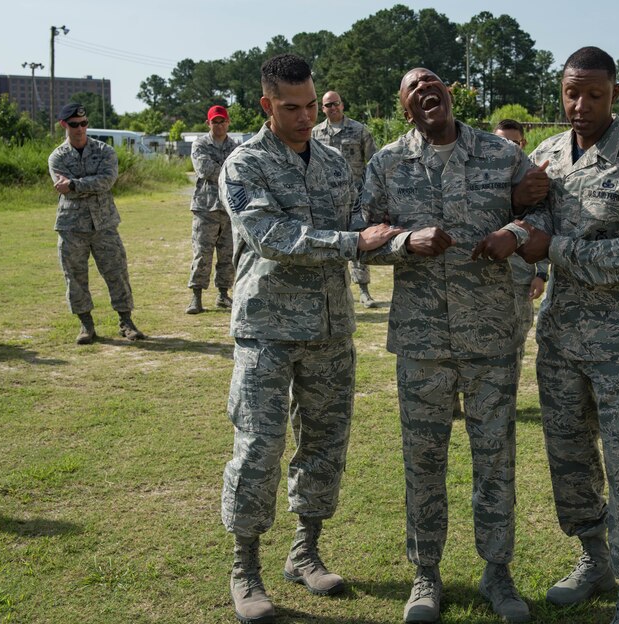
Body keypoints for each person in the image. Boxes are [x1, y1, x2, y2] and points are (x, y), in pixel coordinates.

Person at [217, 54, 403, 624]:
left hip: (328, 328)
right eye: (292, 108)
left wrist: (407, 242)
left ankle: (305, 550)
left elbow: (363, 227)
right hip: (267, 329)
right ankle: (245, 566)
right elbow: (273, 236)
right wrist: (355, 243)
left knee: (325, 443)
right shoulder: (244, 164)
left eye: (309, 104)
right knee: (260, 446)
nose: (305, 117)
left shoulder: (332, 162)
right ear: (266, 105)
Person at [359, 67, 548, 624]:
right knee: (423, 461)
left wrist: (512, 234)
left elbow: (539, 211)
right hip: (422, 342)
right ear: (405, 107)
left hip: (492, 336)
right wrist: (402, 241)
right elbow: (361, 236)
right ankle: (426, 574)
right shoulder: (386, 163)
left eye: (431, 82)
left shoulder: (499, 153)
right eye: (412, 87)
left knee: (496, 459)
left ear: (449, 94)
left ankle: (498, 571)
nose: (424, 90)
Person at [516, 46, 619, 624]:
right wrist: (522, 229)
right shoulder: (547, 155)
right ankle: (594, 557)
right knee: (569, 455)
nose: (579, 106)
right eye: (570, 93)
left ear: (614, 95)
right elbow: (530, 224)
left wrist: (551, 249)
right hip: (559, 335)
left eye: (593, 95)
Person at [48, 102, 146, 345]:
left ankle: (126, 321)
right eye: (74, 125)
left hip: (104, 224)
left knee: (117, 273)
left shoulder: (105, 151)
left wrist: (74, 184)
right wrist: (77, 186)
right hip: (72, 227)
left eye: (83, 124)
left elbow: (107, 181)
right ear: (64, 125)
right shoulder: (57, 157)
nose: (80, 129)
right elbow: (64, 187)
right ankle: (86, 325)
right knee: (75, 276)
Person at [493, 120, 550, 382]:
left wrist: (541, 274)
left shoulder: (532, 177)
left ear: (523, 144)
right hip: (486, 276)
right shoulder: (483, 175)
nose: (507, 147)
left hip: (520, 276)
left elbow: (544, 226)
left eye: (513, 142)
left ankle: (509, 396)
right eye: (501, 141)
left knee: (516, 340)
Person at [311, 90, 380, 308]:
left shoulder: (359, 131)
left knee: (359, 242)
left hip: (354, 199)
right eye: (328, 105)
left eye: (336, 104)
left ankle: (364, 290)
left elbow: (374, 162)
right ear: (322, 109)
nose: (332, 108)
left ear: (342, 105)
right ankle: (331, 293)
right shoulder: (315, 133)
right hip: (325, 200)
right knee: (328, 244)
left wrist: (369, 192)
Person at [185, 105, 237, 314]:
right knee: (202, 253)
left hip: (229, 207)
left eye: (222, 120)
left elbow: (242, 170)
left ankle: (223, 295)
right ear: (208, 123)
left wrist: (226, 169)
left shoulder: (235, 146)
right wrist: (228, 169)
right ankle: (196, 297)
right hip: (206, 207)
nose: (219, 124)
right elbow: (204, 169)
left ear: (228, 122)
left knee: (228, 254)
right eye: (215, 121)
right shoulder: (200, 144)